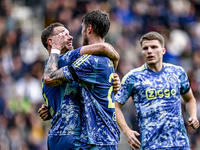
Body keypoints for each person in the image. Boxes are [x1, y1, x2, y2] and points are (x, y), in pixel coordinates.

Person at [43, 10, 120, 149]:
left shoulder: (81, 63)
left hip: (88, 138)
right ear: (51, 41)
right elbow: (50, 80)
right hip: (71, 137)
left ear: (88, 29)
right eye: (63, 34)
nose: (71, 36)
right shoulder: (60, 63)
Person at [115, 31, 199, 149]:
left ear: (163, 50)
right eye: (145, 48)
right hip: (151, 145)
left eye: (154, 47)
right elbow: (115, 106)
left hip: (180, 144)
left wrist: (193, 116)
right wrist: (126, 131)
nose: (149, 51)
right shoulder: (132, 77)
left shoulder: (177, 72)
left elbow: (190, 99)